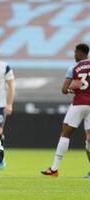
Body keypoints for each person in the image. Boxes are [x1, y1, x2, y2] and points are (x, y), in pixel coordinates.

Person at [41, 43, 90, 178]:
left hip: (79, 104)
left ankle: (54, 168)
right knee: (89, 139)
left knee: (66, 133)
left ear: (80, 53)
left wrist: (72, 89)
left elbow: (64, 90)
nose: (74, 55)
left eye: (75, 52)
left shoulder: (74, 67)